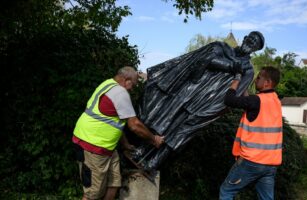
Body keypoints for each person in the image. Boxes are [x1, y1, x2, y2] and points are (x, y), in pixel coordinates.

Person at [128, 31, 265, 171]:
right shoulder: (222, 48)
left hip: (208, 102)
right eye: (251, 38)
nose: (251, 42)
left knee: (181, 132)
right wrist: (231, 67)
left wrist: (214, 110)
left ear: (256, 49)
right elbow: (205, 59)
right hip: (191, 90)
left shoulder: (248, 70)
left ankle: (153, 162)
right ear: (245, 38)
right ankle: (142, 150)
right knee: (166, 120)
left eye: (255, 43)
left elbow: (235, 92)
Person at [72, 66, 164, 200]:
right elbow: (134, 125)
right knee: (92, 193)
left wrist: (125, 144)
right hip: (92, 146)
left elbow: (114, 121)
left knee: (114, 183)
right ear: (126, 80)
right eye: (133, 84)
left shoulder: (107, 84)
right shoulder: (120, 93)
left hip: (105, 146)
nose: (132, 89)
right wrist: (154, 139)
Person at [219, 66, 282, 200]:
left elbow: (229, 100)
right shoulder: (275, 100)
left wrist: (236, 80)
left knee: (226, 191)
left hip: (253, 160)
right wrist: (244, 87)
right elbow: (251, 104)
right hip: (270, 164)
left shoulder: (256, 100)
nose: (255, 80)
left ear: (267, 82)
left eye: (258, 77)